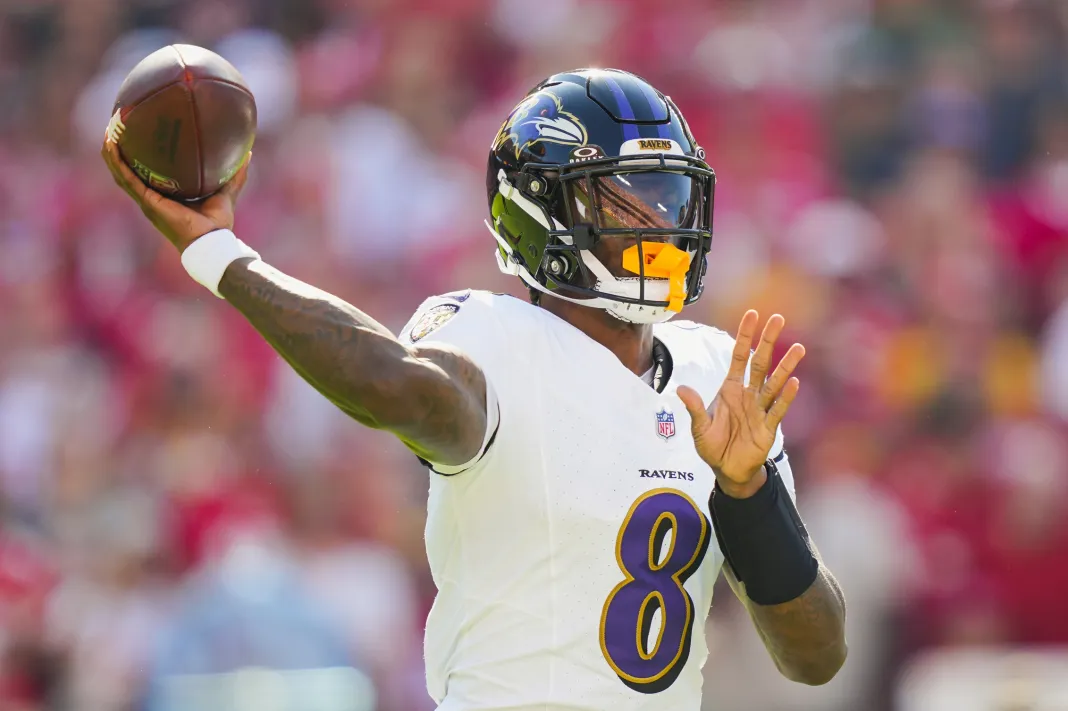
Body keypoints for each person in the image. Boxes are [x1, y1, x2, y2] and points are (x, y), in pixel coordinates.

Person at [102, 68, 847, 711]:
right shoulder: (494, 338)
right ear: (540, 213)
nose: (662, 222)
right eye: (626, 201)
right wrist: (221, 255)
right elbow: (398, 386)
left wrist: (749, 496)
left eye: (667, 196)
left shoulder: (717, 372)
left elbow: (816, 656)